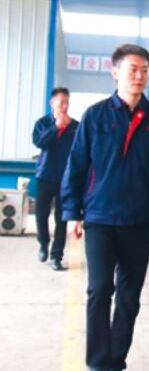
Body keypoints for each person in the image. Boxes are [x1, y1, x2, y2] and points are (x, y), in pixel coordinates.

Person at [61, 43, 149, 371]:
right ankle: (95, 366)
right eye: (133, 69)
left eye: (144, 70)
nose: (139, 76)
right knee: (100, 291)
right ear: (115, 72)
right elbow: (77, 165)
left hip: (139, 221)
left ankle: (115, 365)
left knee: (129, 298)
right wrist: (72, 213)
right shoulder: (96, 116)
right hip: (100, 218)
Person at [32, 87, 78, 271]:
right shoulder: (42, 123)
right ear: (52, 103)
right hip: (45, 176)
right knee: (41, 214)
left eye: (67, 103)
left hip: (66, 179)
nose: (65, 106)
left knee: (62, 218)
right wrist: (56, 127)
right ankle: (43, 243)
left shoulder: (75, 127)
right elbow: (39, 142)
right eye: (61, 102)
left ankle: (56, 256)